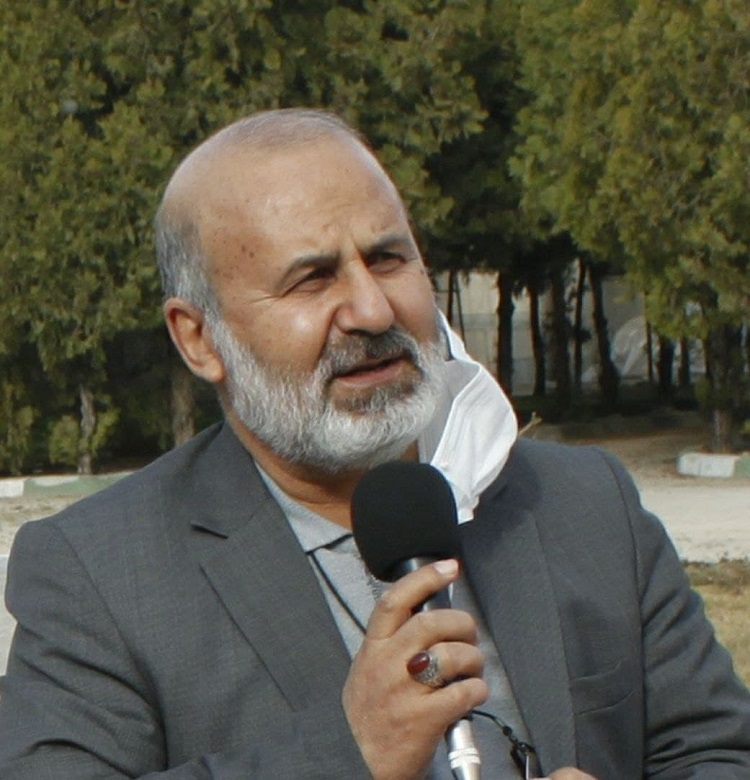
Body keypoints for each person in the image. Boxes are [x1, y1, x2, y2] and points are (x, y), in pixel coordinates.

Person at [1, 108, 749, 780]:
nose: (371, 309)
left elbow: (719, 751)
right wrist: (348, 752)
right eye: (311, 279)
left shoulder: (582, 503)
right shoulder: (98, 575)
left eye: (388, 259)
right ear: (199, 339)